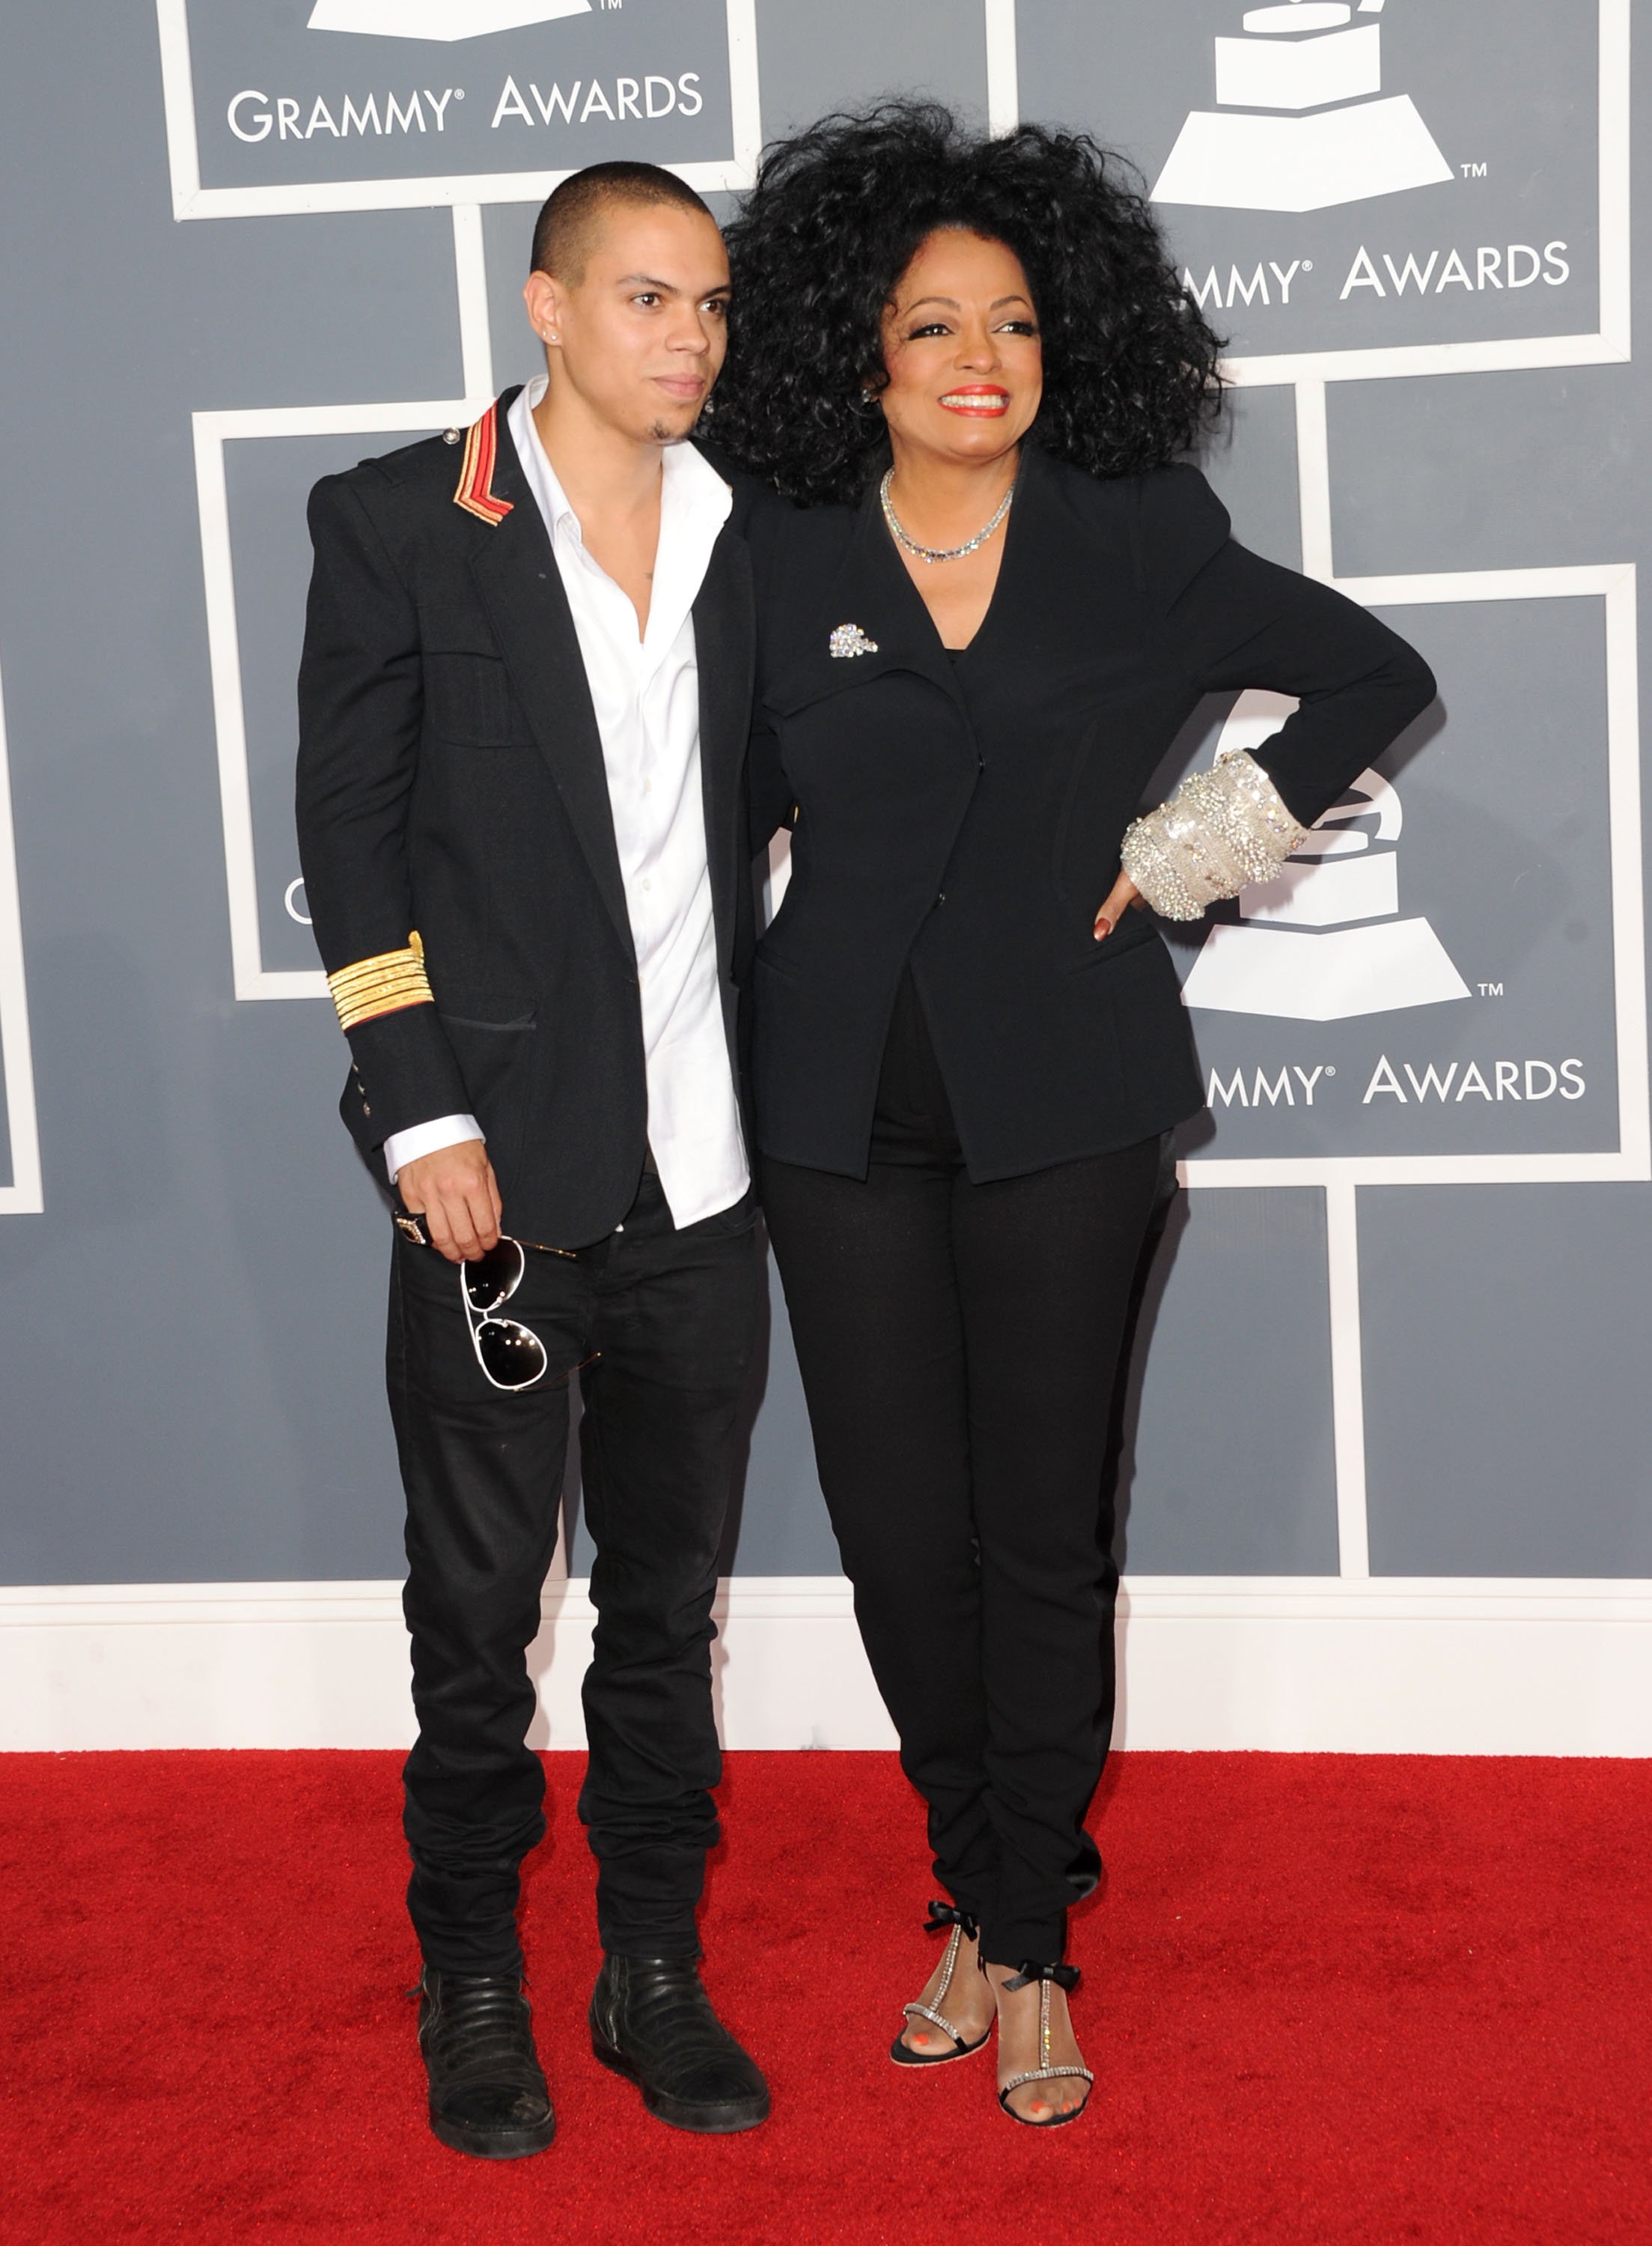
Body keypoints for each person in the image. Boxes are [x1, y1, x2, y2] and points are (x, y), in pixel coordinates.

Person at [710, 103, 1437, 2127]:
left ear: (1063, 344)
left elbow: (1372, 675)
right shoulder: (766, 554)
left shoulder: (1137, 533)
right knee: (894, 1542)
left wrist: (1206, 838)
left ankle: (1023, 1931)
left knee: (1041, 1535)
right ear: (854, 346)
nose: (978, 359)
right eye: (931, 321)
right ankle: (980, 1873)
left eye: (1014, 322)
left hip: (1074, 1106)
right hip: (831, 1108)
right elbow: (697, 810)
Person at [296, 161, 771, 2158]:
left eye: (713, 306)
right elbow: (355, 840)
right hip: (490, 1175)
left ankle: (649, 1968)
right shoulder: (403, 519)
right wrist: (422, 1111)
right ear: (547, 306)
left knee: (669, 1611)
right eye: (650, 298)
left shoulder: (766, 534)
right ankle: (475, 1982)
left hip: (710, 1178)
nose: (689, 338)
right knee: (478, 1621)